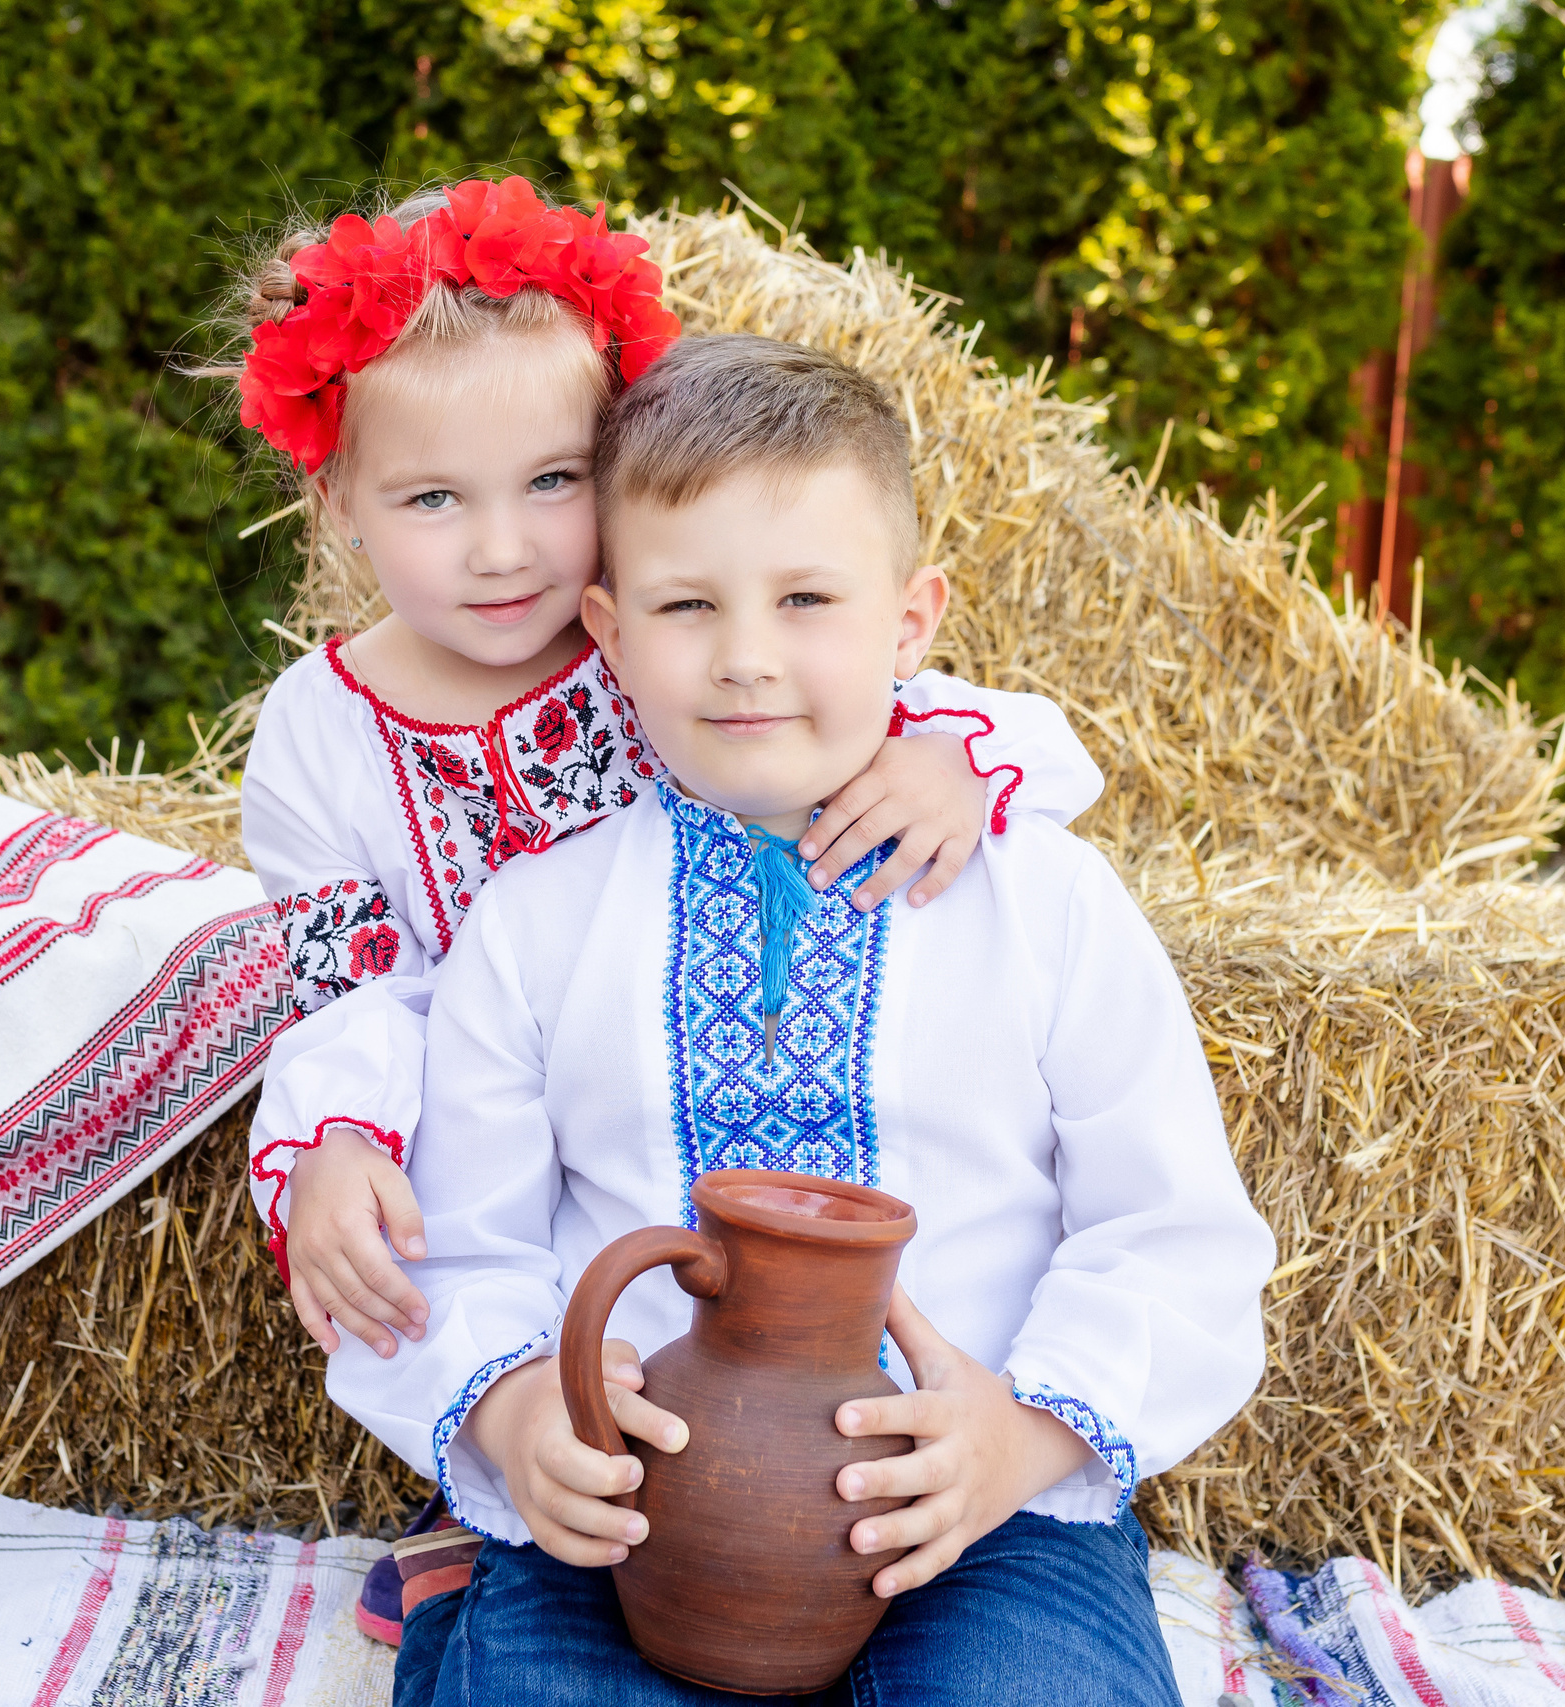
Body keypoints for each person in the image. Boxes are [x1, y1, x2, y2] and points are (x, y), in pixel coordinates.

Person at [213, 176, 1108, 1641]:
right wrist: (329, 1141)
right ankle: (489, 1471)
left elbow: (930, 714)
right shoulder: (320, 729)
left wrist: (954, 759)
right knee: (412, 1219)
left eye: (554, 485)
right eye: (433, 500)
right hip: (462, 1077)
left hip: (634, 1054)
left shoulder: (677, 632)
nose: (503, 550)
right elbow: (341, 976)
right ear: (335, 502)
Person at [326, 333, 1276, 1704]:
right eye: (688, 607)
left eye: (808, 599)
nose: (748, 660)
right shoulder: (535, 925)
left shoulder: (1047, 901)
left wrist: (1015, 1439)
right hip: (628, 1504)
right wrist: (524, 1414)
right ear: (606, 630)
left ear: (910, 619)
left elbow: (1171, 1232)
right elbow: (466, 1245)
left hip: (977, 1511)